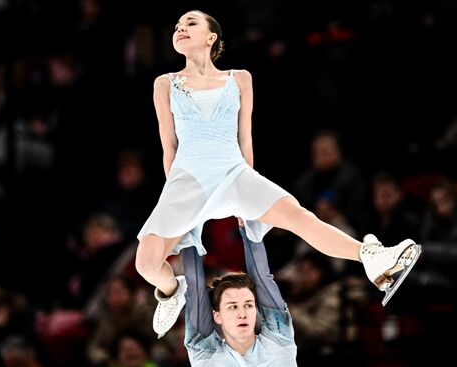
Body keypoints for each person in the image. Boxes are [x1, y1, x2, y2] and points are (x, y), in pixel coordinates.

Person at [134, 9, 422, 339]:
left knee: (299, 216)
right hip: (188, 178)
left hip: (233, 172)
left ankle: (372, 257)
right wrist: (175, 195)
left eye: (190, 23)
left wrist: (246, 194)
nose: (180, 28)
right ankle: (172, 291)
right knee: (146, 263)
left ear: (211, 37)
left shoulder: (240, 78)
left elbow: (245, 139)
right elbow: (168, 146)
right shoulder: (165, 83)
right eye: (177, 26)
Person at [178, 224, 297, 365]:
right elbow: (195, 287)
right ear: (217, 316)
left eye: (248, 305)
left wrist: (248, 227)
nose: (243, 313)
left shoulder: (279, 342)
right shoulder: (207, 355)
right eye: (233, 306)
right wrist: (191, 223)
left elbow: (262, 278)